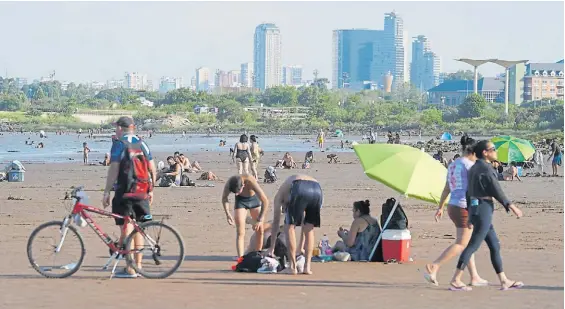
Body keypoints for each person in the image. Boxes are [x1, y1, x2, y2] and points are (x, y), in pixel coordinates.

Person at [449, 140, 523, 291]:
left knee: (494, 244)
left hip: (476, 208)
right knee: (472, 245)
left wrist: (470, 213)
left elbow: (468, 192)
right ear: (485, 152)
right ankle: (456, 279)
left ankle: (504, 280)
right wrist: (510, 205)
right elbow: (496, 189)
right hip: (483, 209)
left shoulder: (474, 167)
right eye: (493, 149)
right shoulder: (485, 168)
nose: (495, 152)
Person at [424, 135, 488, 287]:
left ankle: (474, 277)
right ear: (473, 152)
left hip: (452, 205)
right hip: (463, 207)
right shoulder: (470, 166)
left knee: (467, 242)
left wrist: (440, 207)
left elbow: (447, 187)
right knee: (461, 243)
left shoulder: (453, 164)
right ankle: (435, 266)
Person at [102, 116, 156, 278]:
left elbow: (114, 169)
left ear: (120, 128)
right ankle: (138, 266)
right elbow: (152, 168)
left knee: (127, 228)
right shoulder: (142, 143)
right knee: (139, 228)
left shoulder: (118, 144)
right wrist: (151, 189)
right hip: (142, 190)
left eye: (116, 128)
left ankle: (130, 268)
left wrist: (106, 191)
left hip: (124, 192)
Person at [268, 175, 323, 275]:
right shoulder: (288, 189)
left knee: (288, 227)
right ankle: (307, 267)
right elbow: (304, 225)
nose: (285, 210)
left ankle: (292, 267)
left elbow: (275, 222)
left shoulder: (279, 197)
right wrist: (300, 247)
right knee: (309, 228)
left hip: (299, 186)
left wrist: (271, 248)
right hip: (317, 188)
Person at [222, 175, 269, 258]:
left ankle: (257, 254)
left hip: (254, 200)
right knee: (240, 232)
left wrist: (259, 219)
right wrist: (227, 214)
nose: (236, 194)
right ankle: (241, 258)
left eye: (238, 191)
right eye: (234, 193)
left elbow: (265, 201)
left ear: (243, 185)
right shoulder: (230, 183)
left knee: (260, 230)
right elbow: (224, 198)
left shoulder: (250, 181)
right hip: (240, 202)